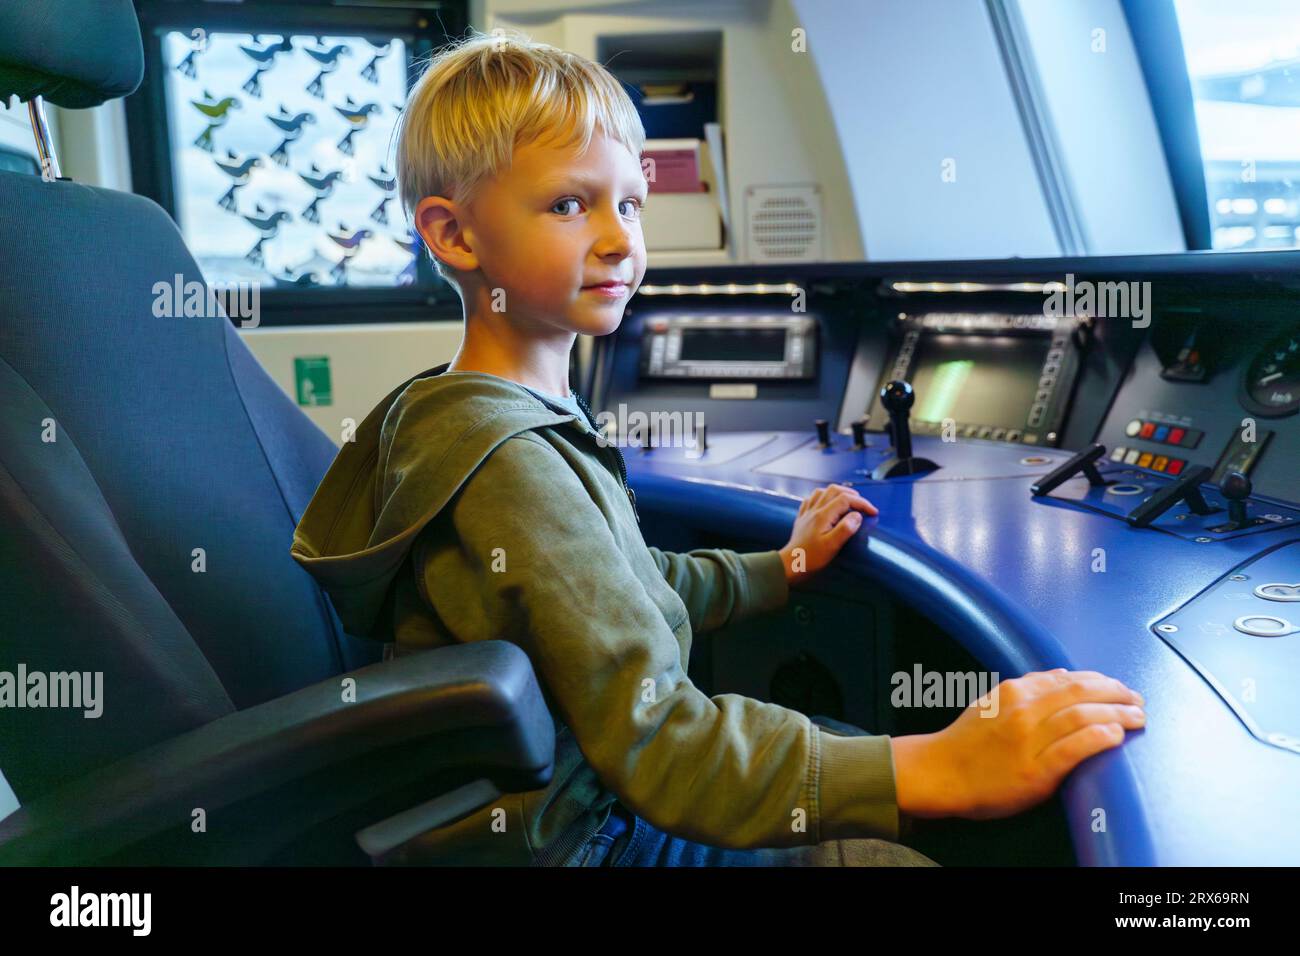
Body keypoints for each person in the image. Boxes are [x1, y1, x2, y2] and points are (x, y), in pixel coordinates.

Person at [290, 28, 1145, 867]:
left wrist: (781, 569)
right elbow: (664, 743)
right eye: (568, 205)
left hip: (598, 795)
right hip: (592, 836)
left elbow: (628, 583)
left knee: (866, 755)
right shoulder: (509, 464)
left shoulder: (495, 412)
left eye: (630, 203)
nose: (621, 238)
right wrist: (941, 765)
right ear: (454, 235)